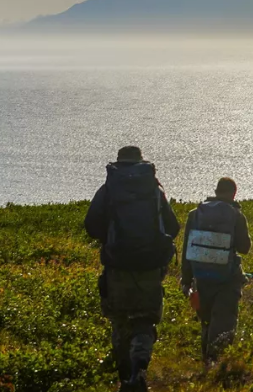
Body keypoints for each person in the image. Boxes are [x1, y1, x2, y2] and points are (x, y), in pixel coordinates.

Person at [84, 146, 181, 392]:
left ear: (118, 163)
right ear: (141, 162)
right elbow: (173, 226)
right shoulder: (154, 191)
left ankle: (125, 377)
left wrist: (111, 239)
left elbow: (91, 225)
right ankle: (139, 369)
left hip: (117, 267)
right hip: (149, 267)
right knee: (145, 321)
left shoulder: (108, 190)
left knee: (119, 321)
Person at [179, 177, 252, 365]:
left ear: (216, 190)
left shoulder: (194, 214)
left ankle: (206, 363)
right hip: (227, 279)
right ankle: (217, 365)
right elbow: (244, 248)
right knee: (224, 322)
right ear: (233, 193)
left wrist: (186, 280)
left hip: (201, 278)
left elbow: (188, 249)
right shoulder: (236, 215)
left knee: (206, 322)